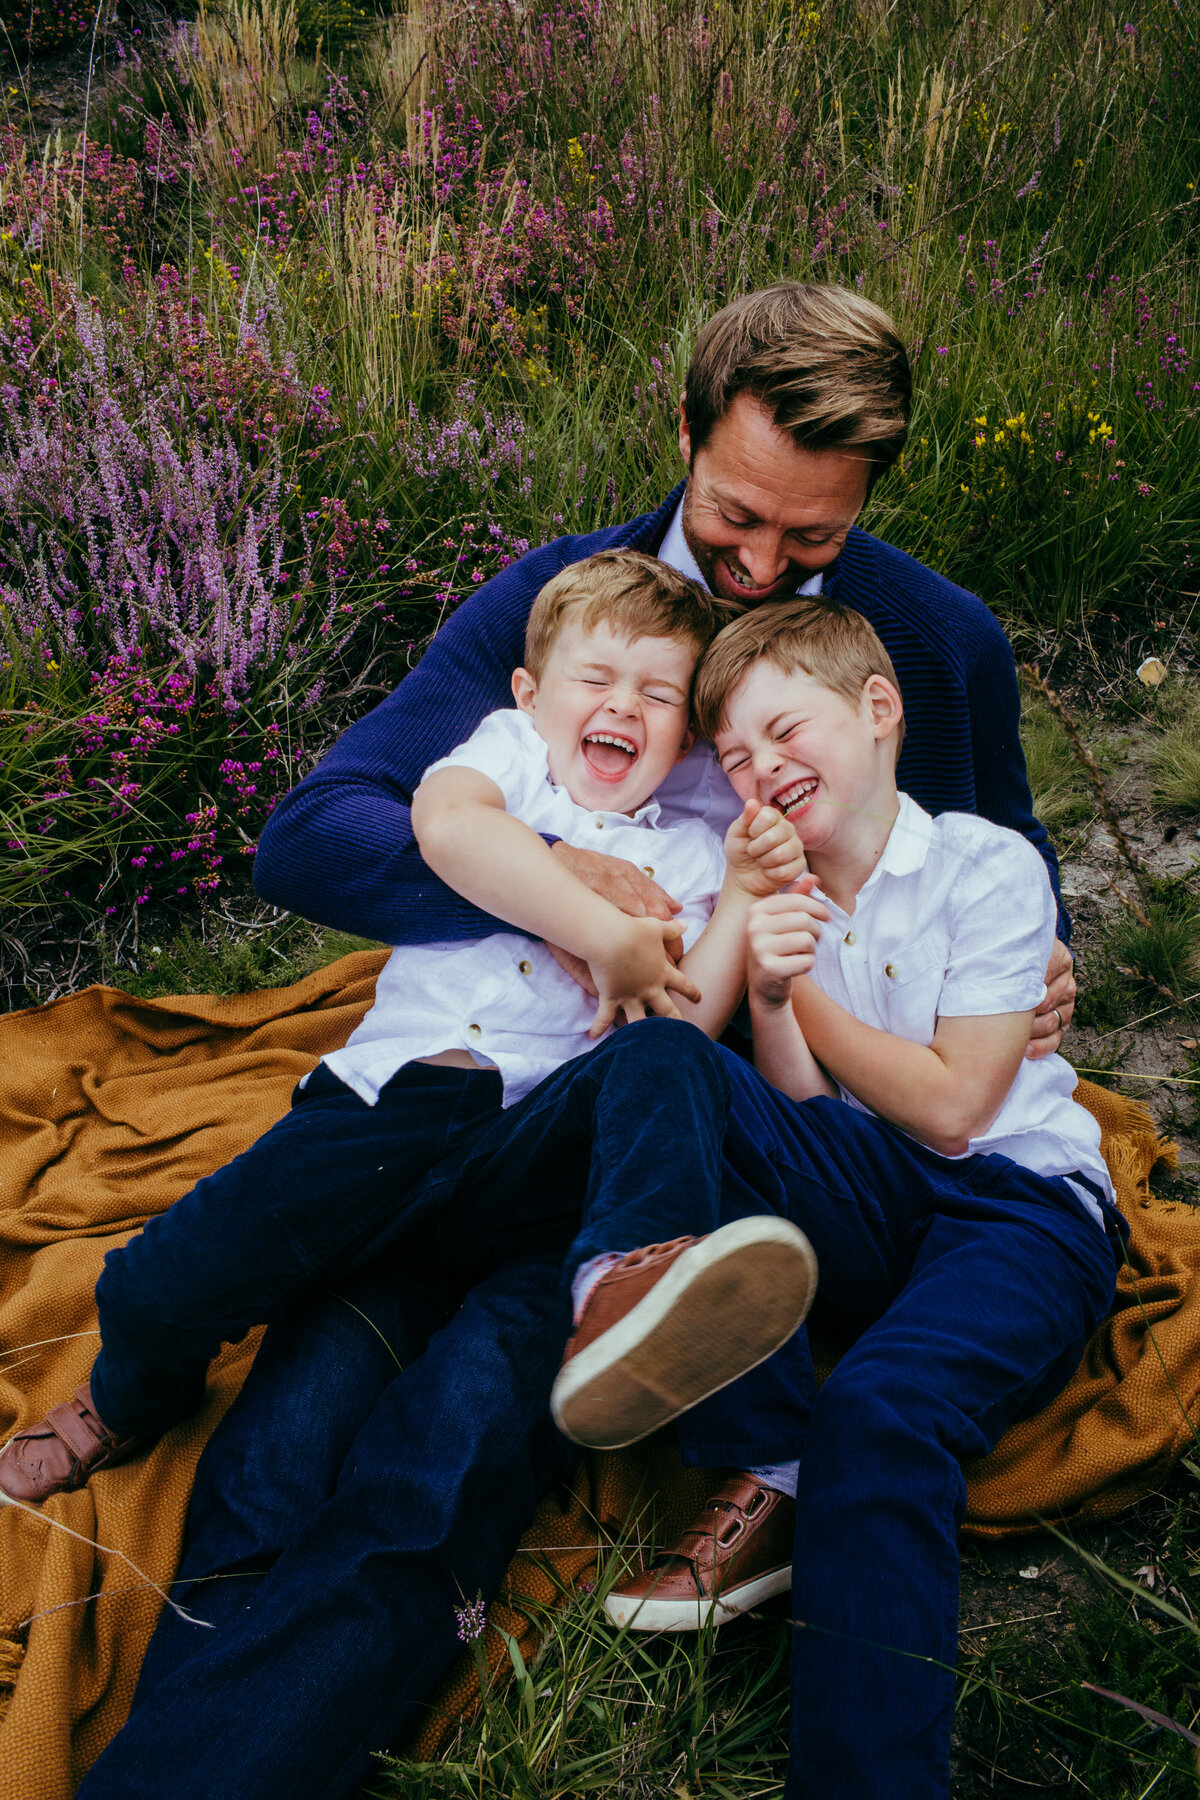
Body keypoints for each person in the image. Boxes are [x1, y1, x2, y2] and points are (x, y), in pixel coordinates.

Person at [68, 282, 1080, 1799]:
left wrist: (1035, 964)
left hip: (653, 1142)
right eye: (734, 516)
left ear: (867, 497)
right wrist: (567, 899)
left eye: (809, 540)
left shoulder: (933, 643)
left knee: (436, 1473)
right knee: (280, 1451)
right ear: (683, 434)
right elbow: (313, 838)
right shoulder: (571, 610)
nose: (755, 567)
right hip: (442, 1113)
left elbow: (1003, 856)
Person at [0, 551, 817, 1503]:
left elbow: (680, 1021)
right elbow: (447, 827)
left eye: (658, 694)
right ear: (529, 691)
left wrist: (742, 899)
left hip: (527, 1140)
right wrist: (603, 934)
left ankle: (623, 1297)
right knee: (161, 1280)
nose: (623, 707)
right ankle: (124, 1399)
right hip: (393, 1104)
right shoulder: (509, 762)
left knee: (664, 1061)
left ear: (684, 742)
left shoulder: (686, 853)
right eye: (594, 680)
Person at [576, 598, 1123, 1798]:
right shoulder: (782, 893)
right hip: (870, 1193)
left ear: (879, 713)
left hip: (1018, 1209)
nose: (761, 771)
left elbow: (953, 1110)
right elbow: (807, 1108)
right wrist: (768, 997)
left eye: (784, 732)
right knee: (678, 1062)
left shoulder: (984, 864)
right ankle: (751, 1439)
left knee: (881, 1406)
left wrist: (800, 987)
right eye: (735, 757)